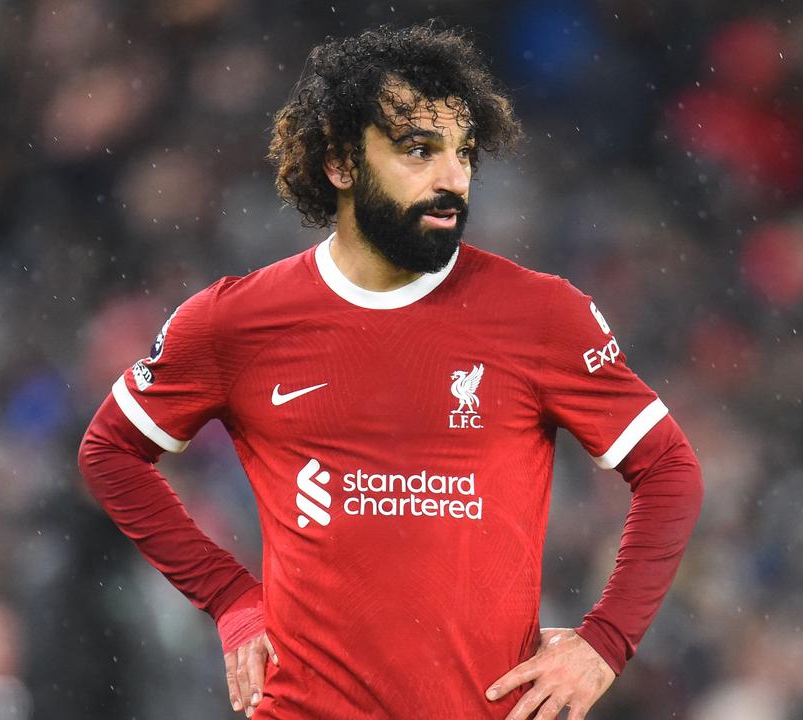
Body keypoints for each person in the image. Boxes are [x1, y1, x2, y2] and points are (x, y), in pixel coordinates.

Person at [78, 22, 702, 720]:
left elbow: (669, 469)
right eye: (418, 151)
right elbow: (110, 451)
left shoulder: (542, 315)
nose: (452, 180)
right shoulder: (234, 322)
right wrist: (231, 599)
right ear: (342, 163)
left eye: (464, 154)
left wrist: (604, 643)